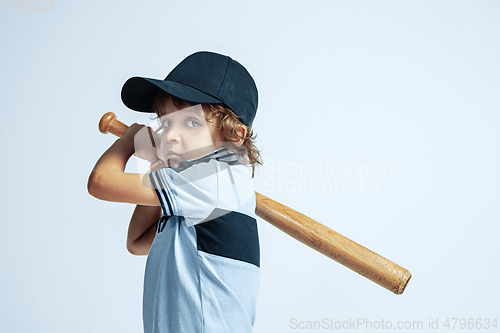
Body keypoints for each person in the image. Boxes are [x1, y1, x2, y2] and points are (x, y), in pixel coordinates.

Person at [87, 51, 262, 333]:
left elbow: (100, 182)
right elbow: (138, 241)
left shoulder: (217, 177)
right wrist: (160, 166)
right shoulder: (194, 190)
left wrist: (129, 141)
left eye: (191, 122)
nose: (170, 135)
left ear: (235, 136)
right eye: (166, 122)